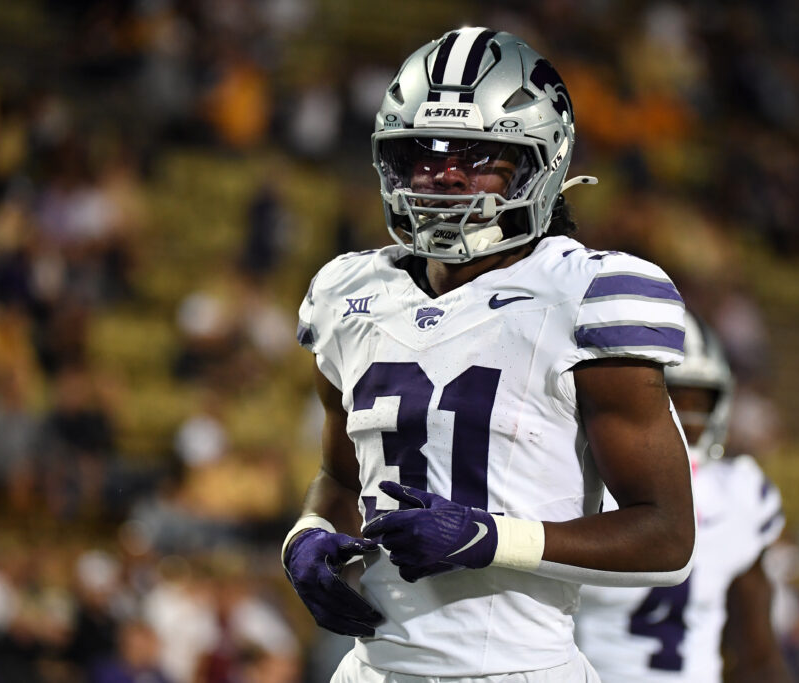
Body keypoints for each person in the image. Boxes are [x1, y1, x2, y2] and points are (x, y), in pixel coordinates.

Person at [282, 27, 696, 682]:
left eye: (477, 156)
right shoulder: (348, 292)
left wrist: (493, 537)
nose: (445, 175)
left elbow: (667, 536)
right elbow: (340, 479)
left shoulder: (586, 293)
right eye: (423, 153)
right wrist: (305, 533)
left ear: (542, 162)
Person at [575, 312, 791, 683]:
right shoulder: (580, 479)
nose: (689, 419)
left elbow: (758, 650)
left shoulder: (739, 492)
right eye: (675, 398)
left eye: (700, 402)